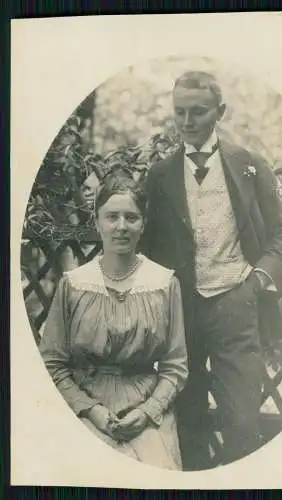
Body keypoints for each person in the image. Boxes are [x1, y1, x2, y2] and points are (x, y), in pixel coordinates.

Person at [140, 71, 282, 470]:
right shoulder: (160, 175)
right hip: (183, 313)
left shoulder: (249, 165)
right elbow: (150, 245)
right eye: (180, 112)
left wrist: (258, 280)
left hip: (236, 305)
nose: (188, 121)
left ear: (220, 112)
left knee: (244, 422)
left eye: (198, 111)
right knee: (187, 421)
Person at [39, 165, 188, 470]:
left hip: (145, 410)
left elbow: (175, 366)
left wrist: (148, 411)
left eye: (131, 218)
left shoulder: (164, 283)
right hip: (85, 406)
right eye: (112, 217)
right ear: (97, 223)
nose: (122, 226)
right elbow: (52, 364)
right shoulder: (75, 284)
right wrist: (91, 411)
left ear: (143, 224)